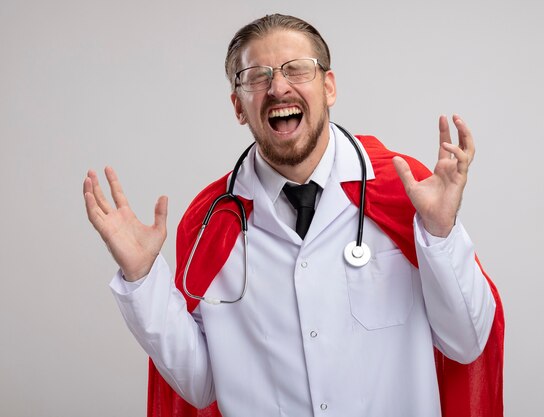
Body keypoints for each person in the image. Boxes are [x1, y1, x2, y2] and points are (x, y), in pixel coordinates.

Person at [83, 14, 503, 417]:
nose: (278, 87)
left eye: (296, 70)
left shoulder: (403, 192)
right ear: (238, 106)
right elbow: (201, 385)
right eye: (257, 77)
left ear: (329, 87)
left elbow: (466, 344)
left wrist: (441, 233)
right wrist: (142, 278)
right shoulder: (212, 221)